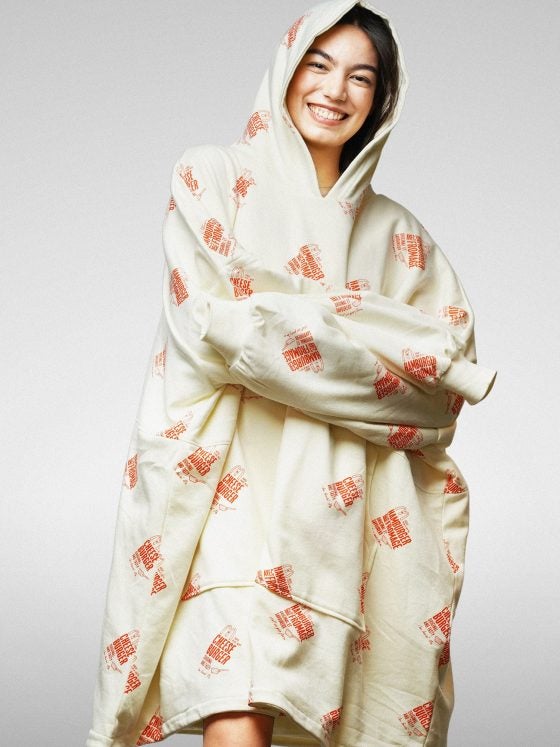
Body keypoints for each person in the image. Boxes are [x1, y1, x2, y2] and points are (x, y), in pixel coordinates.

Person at [87, 1, 496, 745]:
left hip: (348, 528)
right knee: (233, 704)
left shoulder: (400, 236)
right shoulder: (211, 177)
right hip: (226, 502)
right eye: (319, 63)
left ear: (383, 99)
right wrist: (370, 331)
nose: (335, 90)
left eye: (361, 77)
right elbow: (218, 327)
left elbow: (441, 392)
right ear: (287, 65)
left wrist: (286, 312)